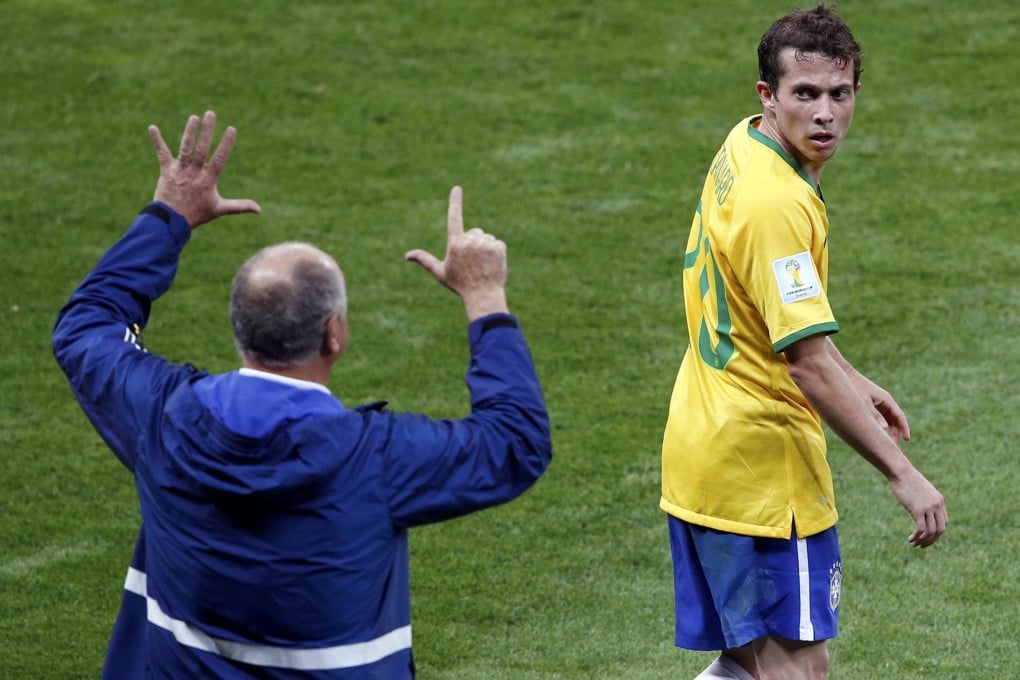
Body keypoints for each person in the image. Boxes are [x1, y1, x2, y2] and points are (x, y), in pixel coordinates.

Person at [52, 111, 553, 678]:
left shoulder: (162, 418)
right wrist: (484, 296)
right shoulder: (376, 459)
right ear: (334, 334)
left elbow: (85, 328)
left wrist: (168, 216)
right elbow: (515, 443)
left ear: (238, 326)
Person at [659, 5, 947, 680]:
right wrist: (903, 476)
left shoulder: (744, 146)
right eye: (805, 95)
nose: (824, 114)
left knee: (751, 661)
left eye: (839, 94)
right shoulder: (778, 204)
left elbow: (785, 327)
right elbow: (806, 366)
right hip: (761, 477)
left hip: (707, 453)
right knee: (798, 671)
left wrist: (858, 380)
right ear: (768, 95)